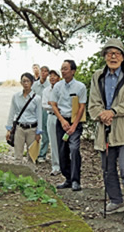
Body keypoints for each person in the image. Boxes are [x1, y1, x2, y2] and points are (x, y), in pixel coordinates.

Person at [88, 38, 124, 225]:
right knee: (107, 169)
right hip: (105, 129)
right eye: (110, 53)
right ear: (104, 56)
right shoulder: (98, 75)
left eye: (117, 53)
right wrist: (101, 115)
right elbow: (93, 102)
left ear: (123, 56)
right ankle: (116, 200)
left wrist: (114, 111)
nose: (113, 56)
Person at [50, 60, 86, 191]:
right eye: (62, 68)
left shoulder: (80, 87)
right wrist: (62, 120)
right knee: (62, 151)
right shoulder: (58, 86)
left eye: (65, 69)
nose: (63, 71)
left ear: (73, 71)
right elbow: (53, 104)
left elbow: (82, 106)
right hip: (61, 122)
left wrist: (74, 125)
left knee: (74, 149)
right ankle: (68, 178)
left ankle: (76, 180)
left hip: (75, 122)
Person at [6, 72, 42, 164]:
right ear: (21, 83)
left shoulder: (37, 98)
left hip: (32, 129)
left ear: (32, 82)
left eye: (28, 81)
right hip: (19, 128)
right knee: (18, 155)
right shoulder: (16, 97)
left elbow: (39, 116)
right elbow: (12, 113)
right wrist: (9, 129)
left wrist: (39, 132)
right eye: (23, 81)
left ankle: (31, 176)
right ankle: (18, 177)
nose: (26, 83)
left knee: (32, 156)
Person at [42, 69, 61, 176]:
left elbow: (65, 104)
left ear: (59, 77)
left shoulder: (63, 88)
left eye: (55, 75)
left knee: (63, 142)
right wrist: (55, 105)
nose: (52, 77)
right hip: (52, 117)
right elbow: (45, 105)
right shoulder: (46, 91)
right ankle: (56, 166)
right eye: (51, 76)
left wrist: (52, 104)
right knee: (53, 142)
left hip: (62, 117)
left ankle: (65, 164)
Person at [32, 65, 50, 163]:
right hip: (35, 110)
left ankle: (42, 154)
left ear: (48, 73)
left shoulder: (49, 85)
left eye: (45, 71)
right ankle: (33, 153)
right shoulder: (35, 85)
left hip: (45, 110)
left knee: (45, 133)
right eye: (42, 71)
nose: (43, 73)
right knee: (34, 132)